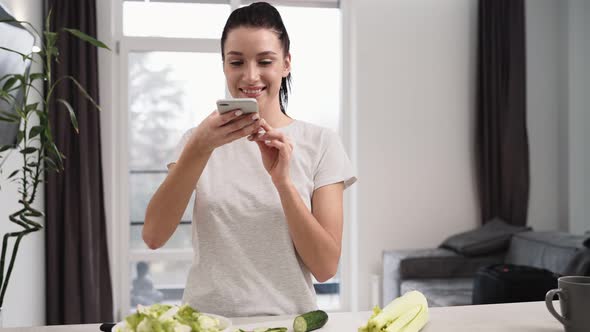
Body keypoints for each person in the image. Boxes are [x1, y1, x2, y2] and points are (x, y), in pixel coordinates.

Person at [143, 2, 356, 317]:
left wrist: (283, 183)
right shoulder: (196, 140)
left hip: (289, 323)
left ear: (286, 64)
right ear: (224, 66)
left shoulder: (321, 143)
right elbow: (154, 236)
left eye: (265, 61)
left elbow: (325, 267)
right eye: (237, 62)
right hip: (206, 323)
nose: (250, 75)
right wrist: (199, 148)